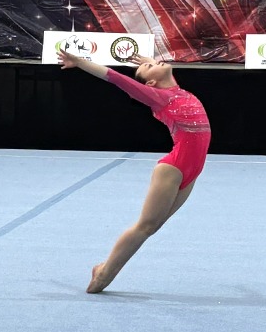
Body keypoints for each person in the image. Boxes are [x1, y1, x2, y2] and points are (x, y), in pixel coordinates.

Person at [56, 48, 210, 293]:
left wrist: (150, 62)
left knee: (153, 227)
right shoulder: (159, 97)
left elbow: (161, 75)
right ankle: (103, 275)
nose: (154, 62)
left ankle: (105, 269)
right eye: (149, 67)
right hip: (175, 169)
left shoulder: (175, 91)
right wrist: (80, 62)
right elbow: (115, 78)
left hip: (192, 171)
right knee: (145, 227)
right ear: (151, 82)